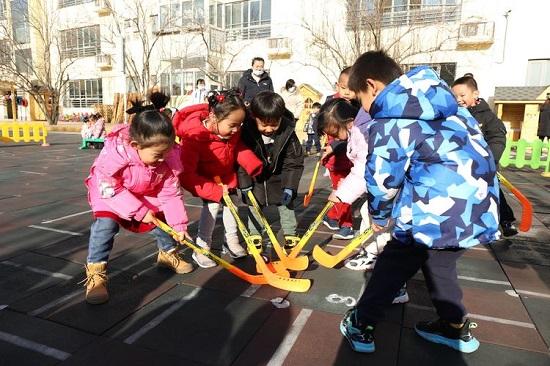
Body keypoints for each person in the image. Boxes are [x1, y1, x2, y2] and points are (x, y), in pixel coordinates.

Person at [340, 51, 500, 354]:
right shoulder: (449, 104)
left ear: (372, 86)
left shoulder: (392, 115)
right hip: (476, 204)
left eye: (360, 97)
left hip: (433, 208)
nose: (363, 106)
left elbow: (384, 178)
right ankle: (454, 327)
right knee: (440, 262)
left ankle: (361, 324)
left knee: (394, 261)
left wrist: (379, 214)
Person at [83, 109, 194, 305]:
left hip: (144, 189)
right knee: (106, 225)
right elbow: (108, 186)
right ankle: (96, 273)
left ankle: (167, 253)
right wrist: (139, 211)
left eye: (167, 153)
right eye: (158, 155)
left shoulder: (167, 159)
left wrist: (179, 226)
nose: (163, 159)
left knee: (161, 217)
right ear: (136, 145)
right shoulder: (116, 153)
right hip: (108, 190)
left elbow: (171, 194)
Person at [174, 89, 264, 268]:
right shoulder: (193, 137)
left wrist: (252, 163)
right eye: (232, 125)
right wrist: (214, 190)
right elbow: (186, 175)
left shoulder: (232, 132)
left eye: (240, 124)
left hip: (225, 177)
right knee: (213, 207)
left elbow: (237, 148)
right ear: (214, 117)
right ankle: (201, 247)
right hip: (205, 180)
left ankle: (231, 241)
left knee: (233, 205)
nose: (236, 129)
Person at [452, 74, 518, 237]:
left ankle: (505, 221)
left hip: (483, 165)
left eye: (462, 95)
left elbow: (497, 138)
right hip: (460, 164)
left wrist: (490, 160)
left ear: (475, 94)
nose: (458, 99)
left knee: (493, 193)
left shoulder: (487, 117)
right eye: (455, 96)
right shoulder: (453, 115)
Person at [238, 91, 304, 250]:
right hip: (255, 176)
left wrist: (290, 185)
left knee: (286, 204)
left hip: (279, 175)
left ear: (281, 117)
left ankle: (290, 233)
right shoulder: (246, 131)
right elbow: (241, 160)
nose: (269, 129)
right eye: (264, 124)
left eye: (274, 124)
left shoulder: (288, 132)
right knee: (254, 204)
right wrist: (244, 184)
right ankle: (254, 234)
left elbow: (294, 161)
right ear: (254, 117)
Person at [321, 67, 356, 240]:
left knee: (343, 190)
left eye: (351, 89)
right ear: (337, 86)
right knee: (340, 190)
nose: (347, 93)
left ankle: (339, 220)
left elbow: (351, 136)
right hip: (335, 159)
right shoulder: (331, 105)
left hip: (350, 160)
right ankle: (340, 221)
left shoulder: (356, 108)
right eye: (343, 88)